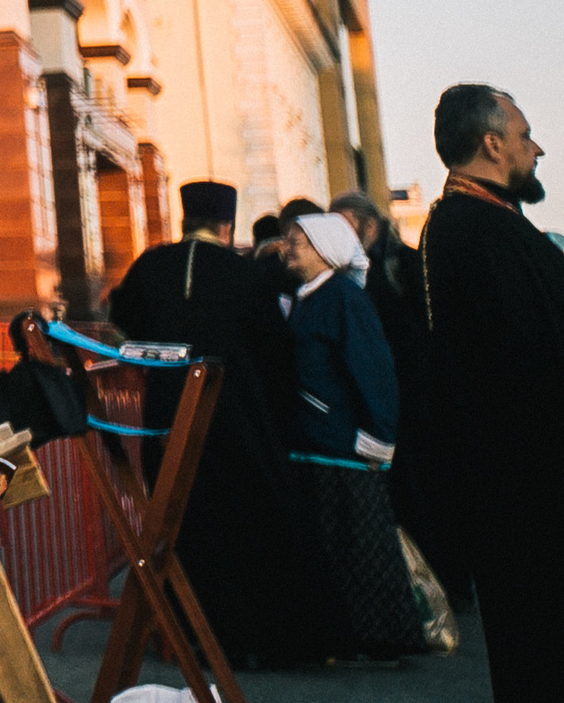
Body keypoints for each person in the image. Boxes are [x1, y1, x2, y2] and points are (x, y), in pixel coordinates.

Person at [109, 179, 326, 667]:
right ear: (226, 226)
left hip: (167, 414)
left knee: (184, 522)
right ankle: (251, 635)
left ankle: (190, 630)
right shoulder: (242, 272)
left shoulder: (151, 265)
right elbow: (274, 350)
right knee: (247, 521)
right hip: (234, 418)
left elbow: (125, 317)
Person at [417, 84, 564, 700]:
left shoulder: (485, 223)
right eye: (526, 135)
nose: (537, 150)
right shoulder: (472, 229)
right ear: (492, 142)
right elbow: (524, 362)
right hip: (525, 489)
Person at [279, 211, 422, 659]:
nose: (288, 250)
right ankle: (350, 635)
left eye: (297, 244)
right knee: (339, 549)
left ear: (325, 251)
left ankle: (385, 640)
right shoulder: (308, 297)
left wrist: (378, 438)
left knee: (365, 547)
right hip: (318, 445)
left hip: (344, 447)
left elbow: (374, 371)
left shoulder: (343, 299)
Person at [329, 188, 454, 599]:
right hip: (383, 402)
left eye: (345, 226)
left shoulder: (405, 264)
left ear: (370, 225)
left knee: (426, 492)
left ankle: (442, 584)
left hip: (418, 400)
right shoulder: (352, 271)